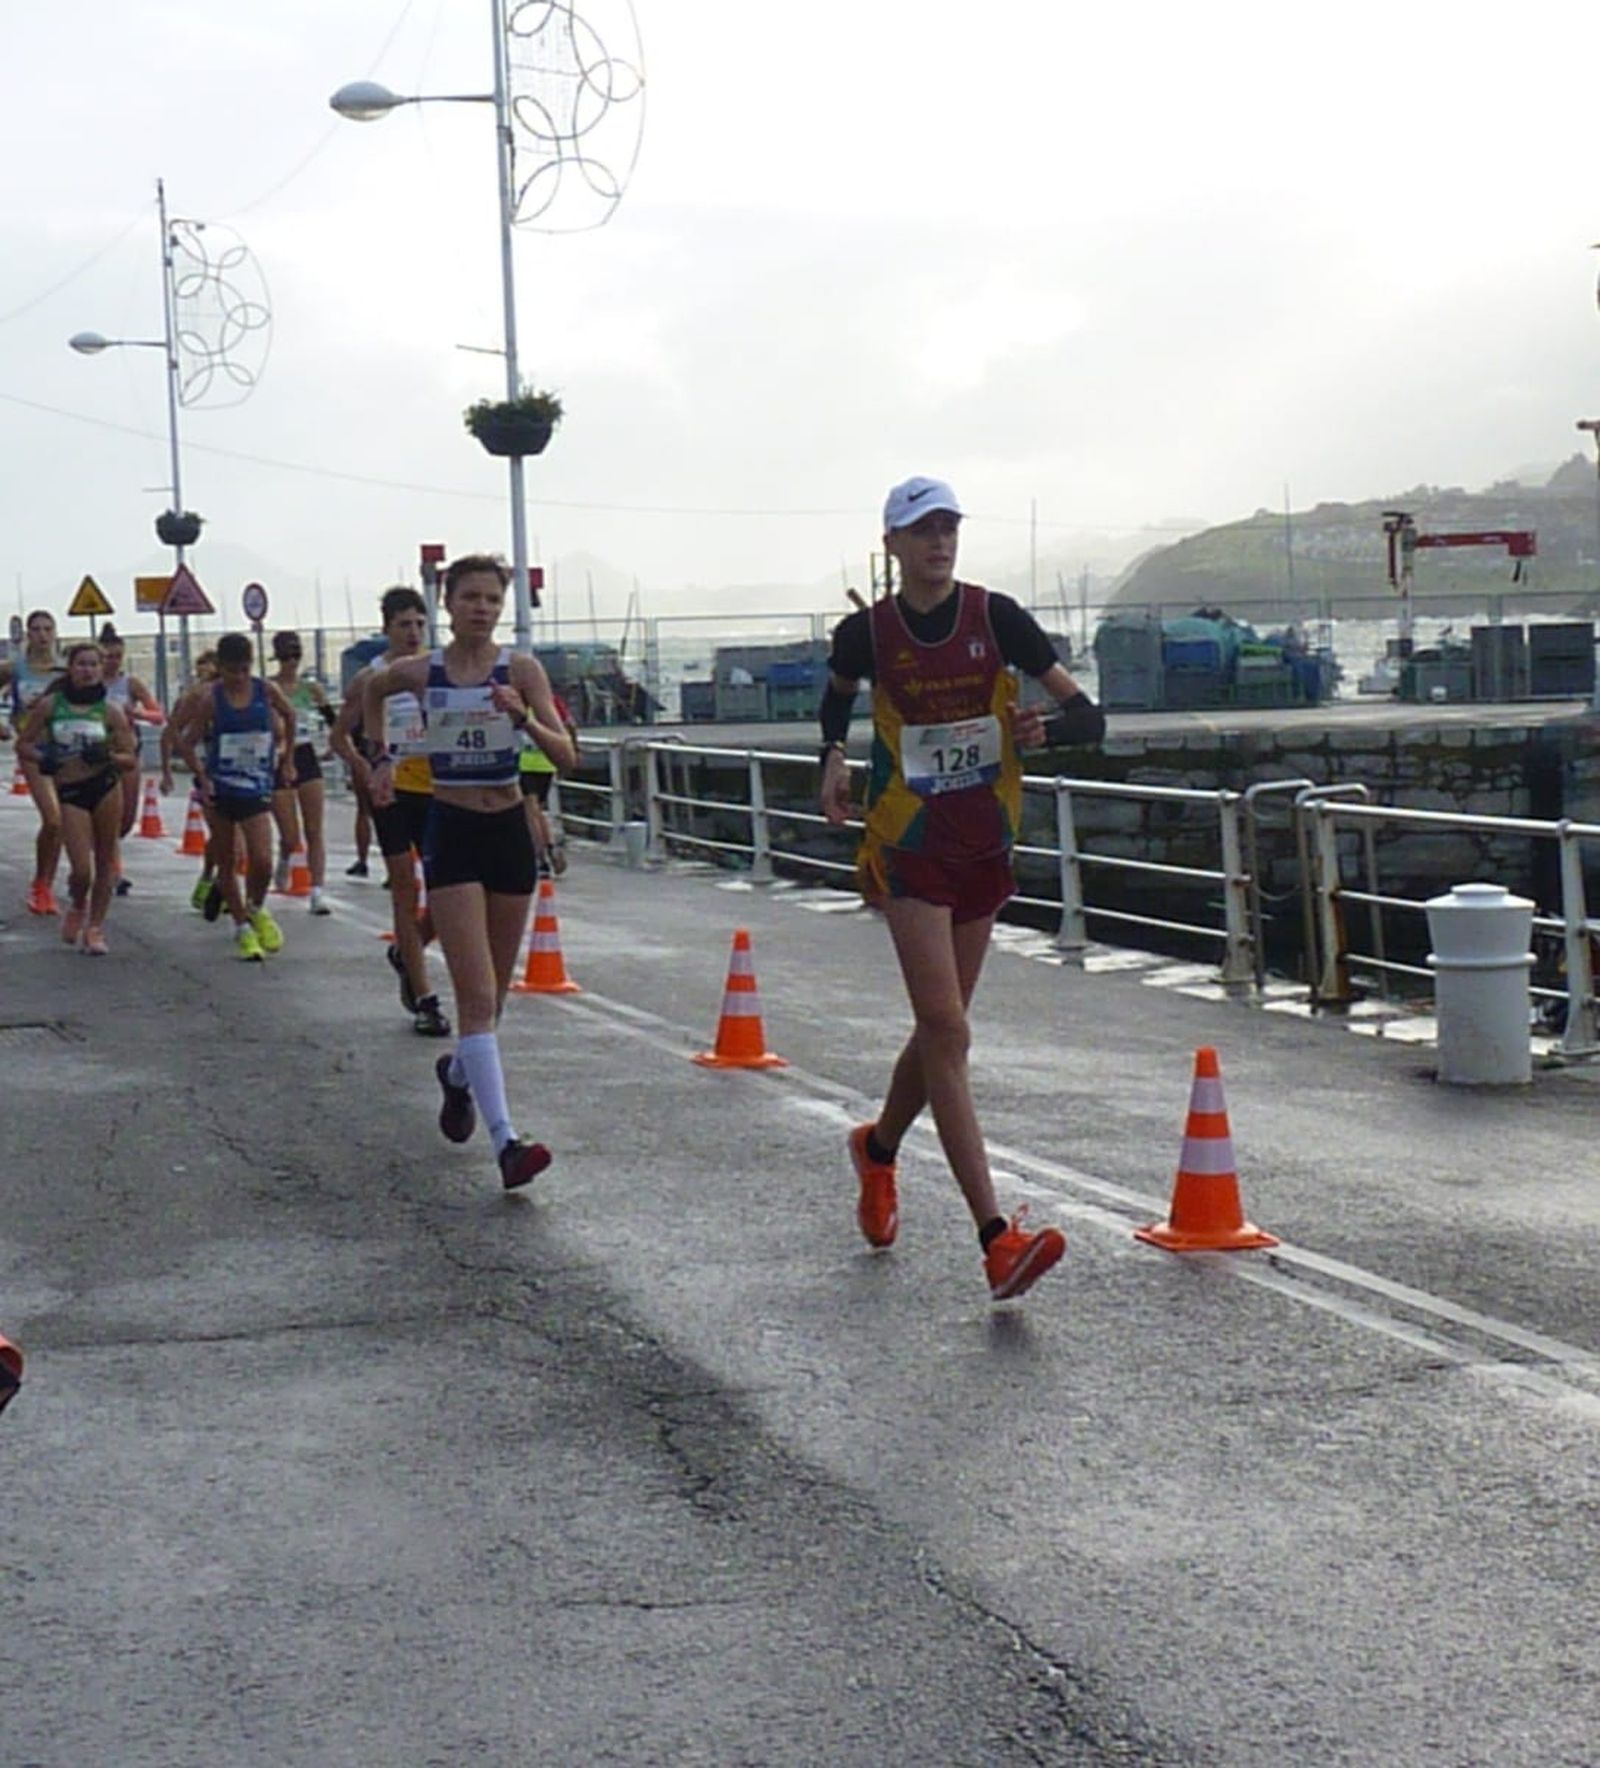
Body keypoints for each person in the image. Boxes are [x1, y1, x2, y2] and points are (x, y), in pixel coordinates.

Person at [819, 476, 1107, 1301]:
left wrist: (1041, 727)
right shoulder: (865, 633)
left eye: (948, 528)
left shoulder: (998, 617)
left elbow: (1090, 719)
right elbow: (835, 699)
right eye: (923, 530)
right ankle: (993, 1237)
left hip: (984, 839)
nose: (940, 542)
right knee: (946, 1027)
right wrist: (831, 758)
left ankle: (877, 1149)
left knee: (943, 1035)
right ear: (894, 547)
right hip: (908, 843)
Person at [365, 554, 575, 1189]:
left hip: (507, 829)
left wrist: (523, 718)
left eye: (492, 599)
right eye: (470, 598)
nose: (481, 608)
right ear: (447, 604)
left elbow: (568, 756)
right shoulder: (420, 672)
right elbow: (369, 694)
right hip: (451, 832)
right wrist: (379, 757)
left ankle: (457, 1076)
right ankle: (507, 1143)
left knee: (496, 1001)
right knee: (476, 1000)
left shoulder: (522, 670)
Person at [332, 587, 450, 1037]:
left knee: (446, 892)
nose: (413, 632)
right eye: (404, 625)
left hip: (439, 789)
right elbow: (340, 736)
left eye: (420, 624)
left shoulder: (437, 669)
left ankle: (409, 949)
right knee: (405, 886)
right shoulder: (372, 678)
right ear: (386, 629)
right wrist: (367, 767)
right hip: (394, 792)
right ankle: (426, 999)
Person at [173, 633, 296, 961]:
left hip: (255, 786)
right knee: (227, 860)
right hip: (220, 788)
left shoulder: (265, 691)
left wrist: (287, 760)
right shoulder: (212, 699)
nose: (238, 678)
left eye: (244, 670)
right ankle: (241, 927)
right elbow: (186, 741)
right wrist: (200, 775)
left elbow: (291, 717)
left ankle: (255, 907)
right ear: (221, 669)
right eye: (231, 671)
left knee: (262, 859)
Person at [15, 641, 138, 953]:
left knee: (105, 860)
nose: (88, 671)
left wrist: (108, 755)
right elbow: (24, 744)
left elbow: (129, 757)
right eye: (81, 664)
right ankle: (78, 904)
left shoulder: (110, 711)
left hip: (105, 787)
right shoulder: (52, 706)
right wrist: (44, 757)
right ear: (70, 668)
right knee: (82, 869)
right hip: (71, 791)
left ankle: (95, 928)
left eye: (94, 665)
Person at [0, 609, 65, 914]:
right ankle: (40, 884)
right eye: (36, 629)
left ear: (55, 632)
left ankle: (46, 883)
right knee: (52, 819)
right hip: (32, 750)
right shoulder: (16, 670)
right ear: (28, 634)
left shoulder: (65, 671)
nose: (42, 635)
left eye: (47, 629)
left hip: (67, 751)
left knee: (63, 823)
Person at [267, 630, 334, 915]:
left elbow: (334, 721)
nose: (291, 662)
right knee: (291, 835)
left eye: (295, 655)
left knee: (314, 829)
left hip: (306, 755)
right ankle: (284, 860)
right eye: (285, 656)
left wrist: (333, 745)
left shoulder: (312, 689)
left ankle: (317, 891)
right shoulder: (269, 687)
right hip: (279, 759)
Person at [160, 650, 227, 911]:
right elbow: (171, 732)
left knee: (229, 838)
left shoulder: (244, 693)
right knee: (225, 837)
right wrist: (168, 772)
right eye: (202, 667)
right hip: (210, 773)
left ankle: (215, 879)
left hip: (241, 775)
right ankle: (214, 882)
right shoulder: (197, 696)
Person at [99, 624, 164, 893]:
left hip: (128, 753)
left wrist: (135, 714)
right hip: (98, 756)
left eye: (117, 656)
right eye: (107, 656)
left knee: (125, 820)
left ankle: (106, 859)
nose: (112, 662)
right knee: (107, 818)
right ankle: (112, 871)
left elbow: (158, 715)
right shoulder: (89, 682)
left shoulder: (130, 684)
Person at [517, 687, 577, 874]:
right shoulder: (550, 702)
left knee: (530, 811)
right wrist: (572, 750)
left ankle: (540, 858)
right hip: (546, 763)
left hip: (524, 761)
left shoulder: (517, 702)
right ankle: (550, 847)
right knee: (537, 810)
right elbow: (569, 725)